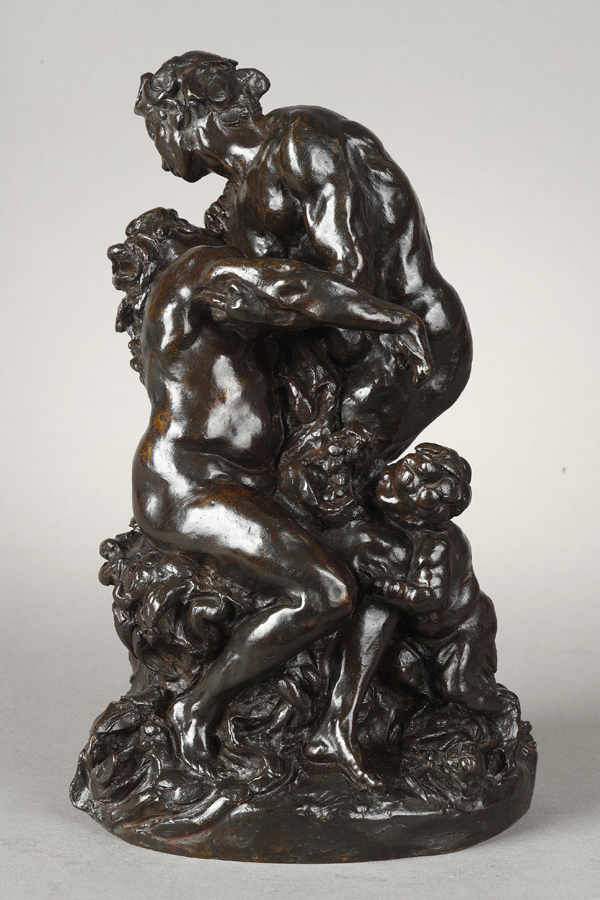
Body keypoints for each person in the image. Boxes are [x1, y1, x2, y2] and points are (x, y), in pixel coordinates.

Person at [108, 206, 433, 774]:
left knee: (374, 563)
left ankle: (338, 724)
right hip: (191, 488)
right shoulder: (193, 271)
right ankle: (195, 706)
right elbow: (287, 286)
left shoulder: (203, 312)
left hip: (236, 486)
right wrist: (392, 318)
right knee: (325, 591)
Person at [134, 51, 472, 470]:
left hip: (404, 351)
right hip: (334, 361)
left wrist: (262, 309)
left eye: (155, 130)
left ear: (182, 116)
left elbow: (353, 275)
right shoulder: (234, 201)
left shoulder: (300, 140)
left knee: (321, 480)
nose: (160, 158)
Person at [307, 444, 513, 786]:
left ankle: (500, 710)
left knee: (459, 686)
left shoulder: (438, 544)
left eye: (404, 495)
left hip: (458, 631)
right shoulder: (390, 503)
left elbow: (429, 597)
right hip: (417, 633)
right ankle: (410, 720)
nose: (389, 485)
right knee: (400, 670)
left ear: (424, 517)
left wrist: (385, 587)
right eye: (396, 476)